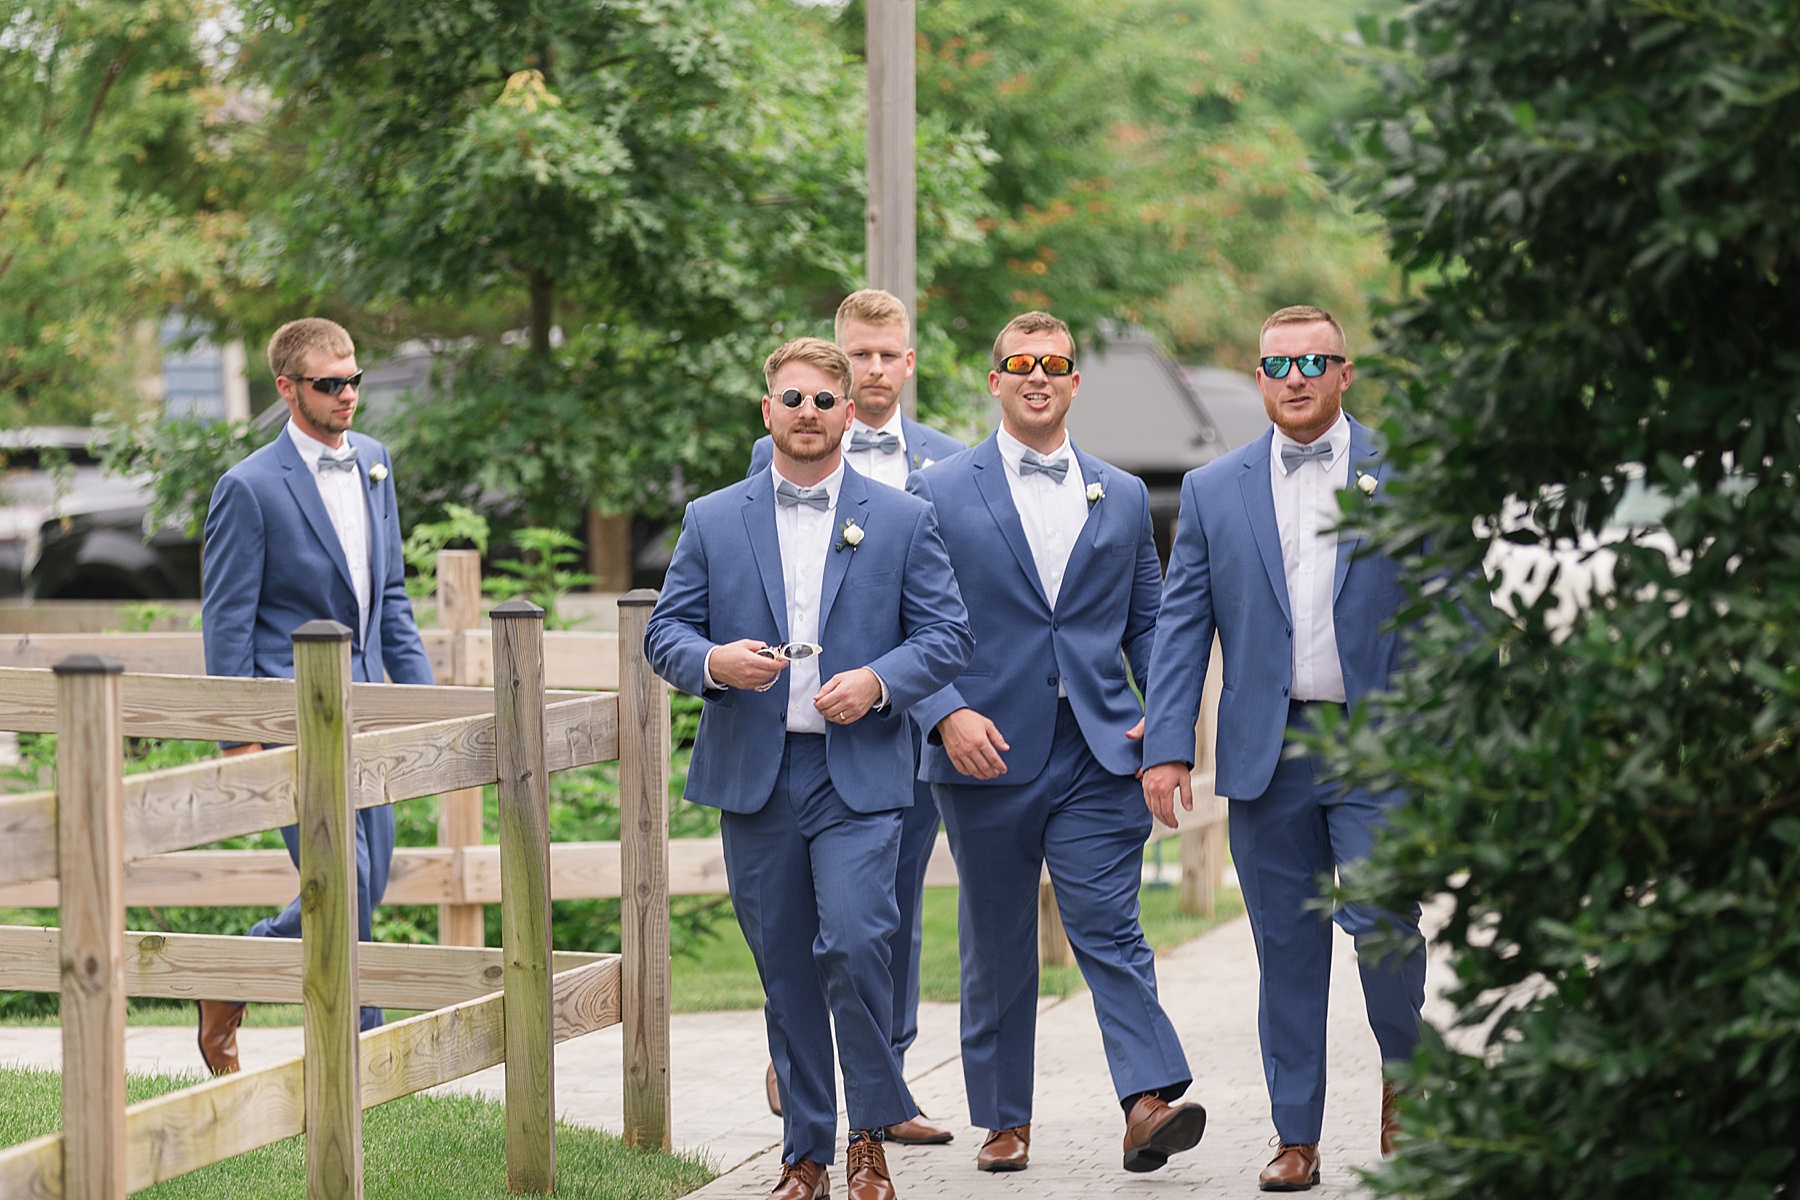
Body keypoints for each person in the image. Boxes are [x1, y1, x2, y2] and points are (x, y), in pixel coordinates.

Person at [647, 337, 973, 1200]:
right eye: (792, 400)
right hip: (756, 774)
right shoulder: (713, 517)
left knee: (859, 938)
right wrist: (716, 662)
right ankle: (807, 1155)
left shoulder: (902, 516)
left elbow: (947, 636)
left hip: (859, 772)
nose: (808, 414)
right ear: (767, 411)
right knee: (786, 961)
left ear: (848, 410)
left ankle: (868, 1134)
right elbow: (665, 634)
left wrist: (876, 682)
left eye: (824, 401)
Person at [906, 311, 1205, 1176]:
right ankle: (1004, 1119)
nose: (1038, 376)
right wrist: (945, 712)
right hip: (983, 749)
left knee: (1109, 925)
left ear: (1076, 383)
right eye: (1021, 363)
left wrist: (1168, 723)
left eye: (1056, 365)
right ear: (994, 381)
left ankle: (1148, 1102)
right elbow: (907, 620)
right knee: (996, 939)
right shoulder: (937, 492)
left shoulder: (1120, 497)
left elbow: (1151, 626)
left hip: (1098, 750)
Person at [1140, 305, 1427, 1191]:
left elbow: (1455, 611)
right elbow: (1183, 622)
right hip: (1268, 749)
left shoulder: (1406, 472)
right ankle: (1294, 1135)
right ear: (1260, 377)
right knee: (1286, 948)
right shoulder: (1214, 488)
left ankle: (1407, 1093)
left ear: (1344, 373)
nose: (1293, 377)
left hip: (1378, 746)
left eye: (1312, 361)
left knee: (1384, 927)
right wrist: (1166, 745)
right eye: (1276, 364)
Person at [748, 289, 966, 1145]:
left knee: (888, 917)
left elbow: (951, 615)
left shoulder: (951, 468)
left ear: (908, 361)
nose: (871, 370)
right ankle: (805, 1061)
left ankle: (889, 1084)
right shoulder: (771, 470)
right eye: (857, 356)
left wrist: (939, 710)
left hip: (909, 729)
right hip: (793, 736)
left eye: (887, 355)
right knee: (814, 921)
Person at [197, 318, 433, 1074]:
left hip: (369, 713)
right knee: (345, 877)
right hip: (289, 716)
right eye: (330, 383)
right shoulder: (248, 488)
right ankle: (360, 1050)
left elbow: (390, 597)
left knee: (373, 871)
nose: (348, 395)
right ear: (287, 389)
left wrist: (426, 708)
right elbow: (227, 617)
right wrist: (240, 735)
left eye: (354, 379)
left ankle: (230, 974)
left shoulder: (375, 463)